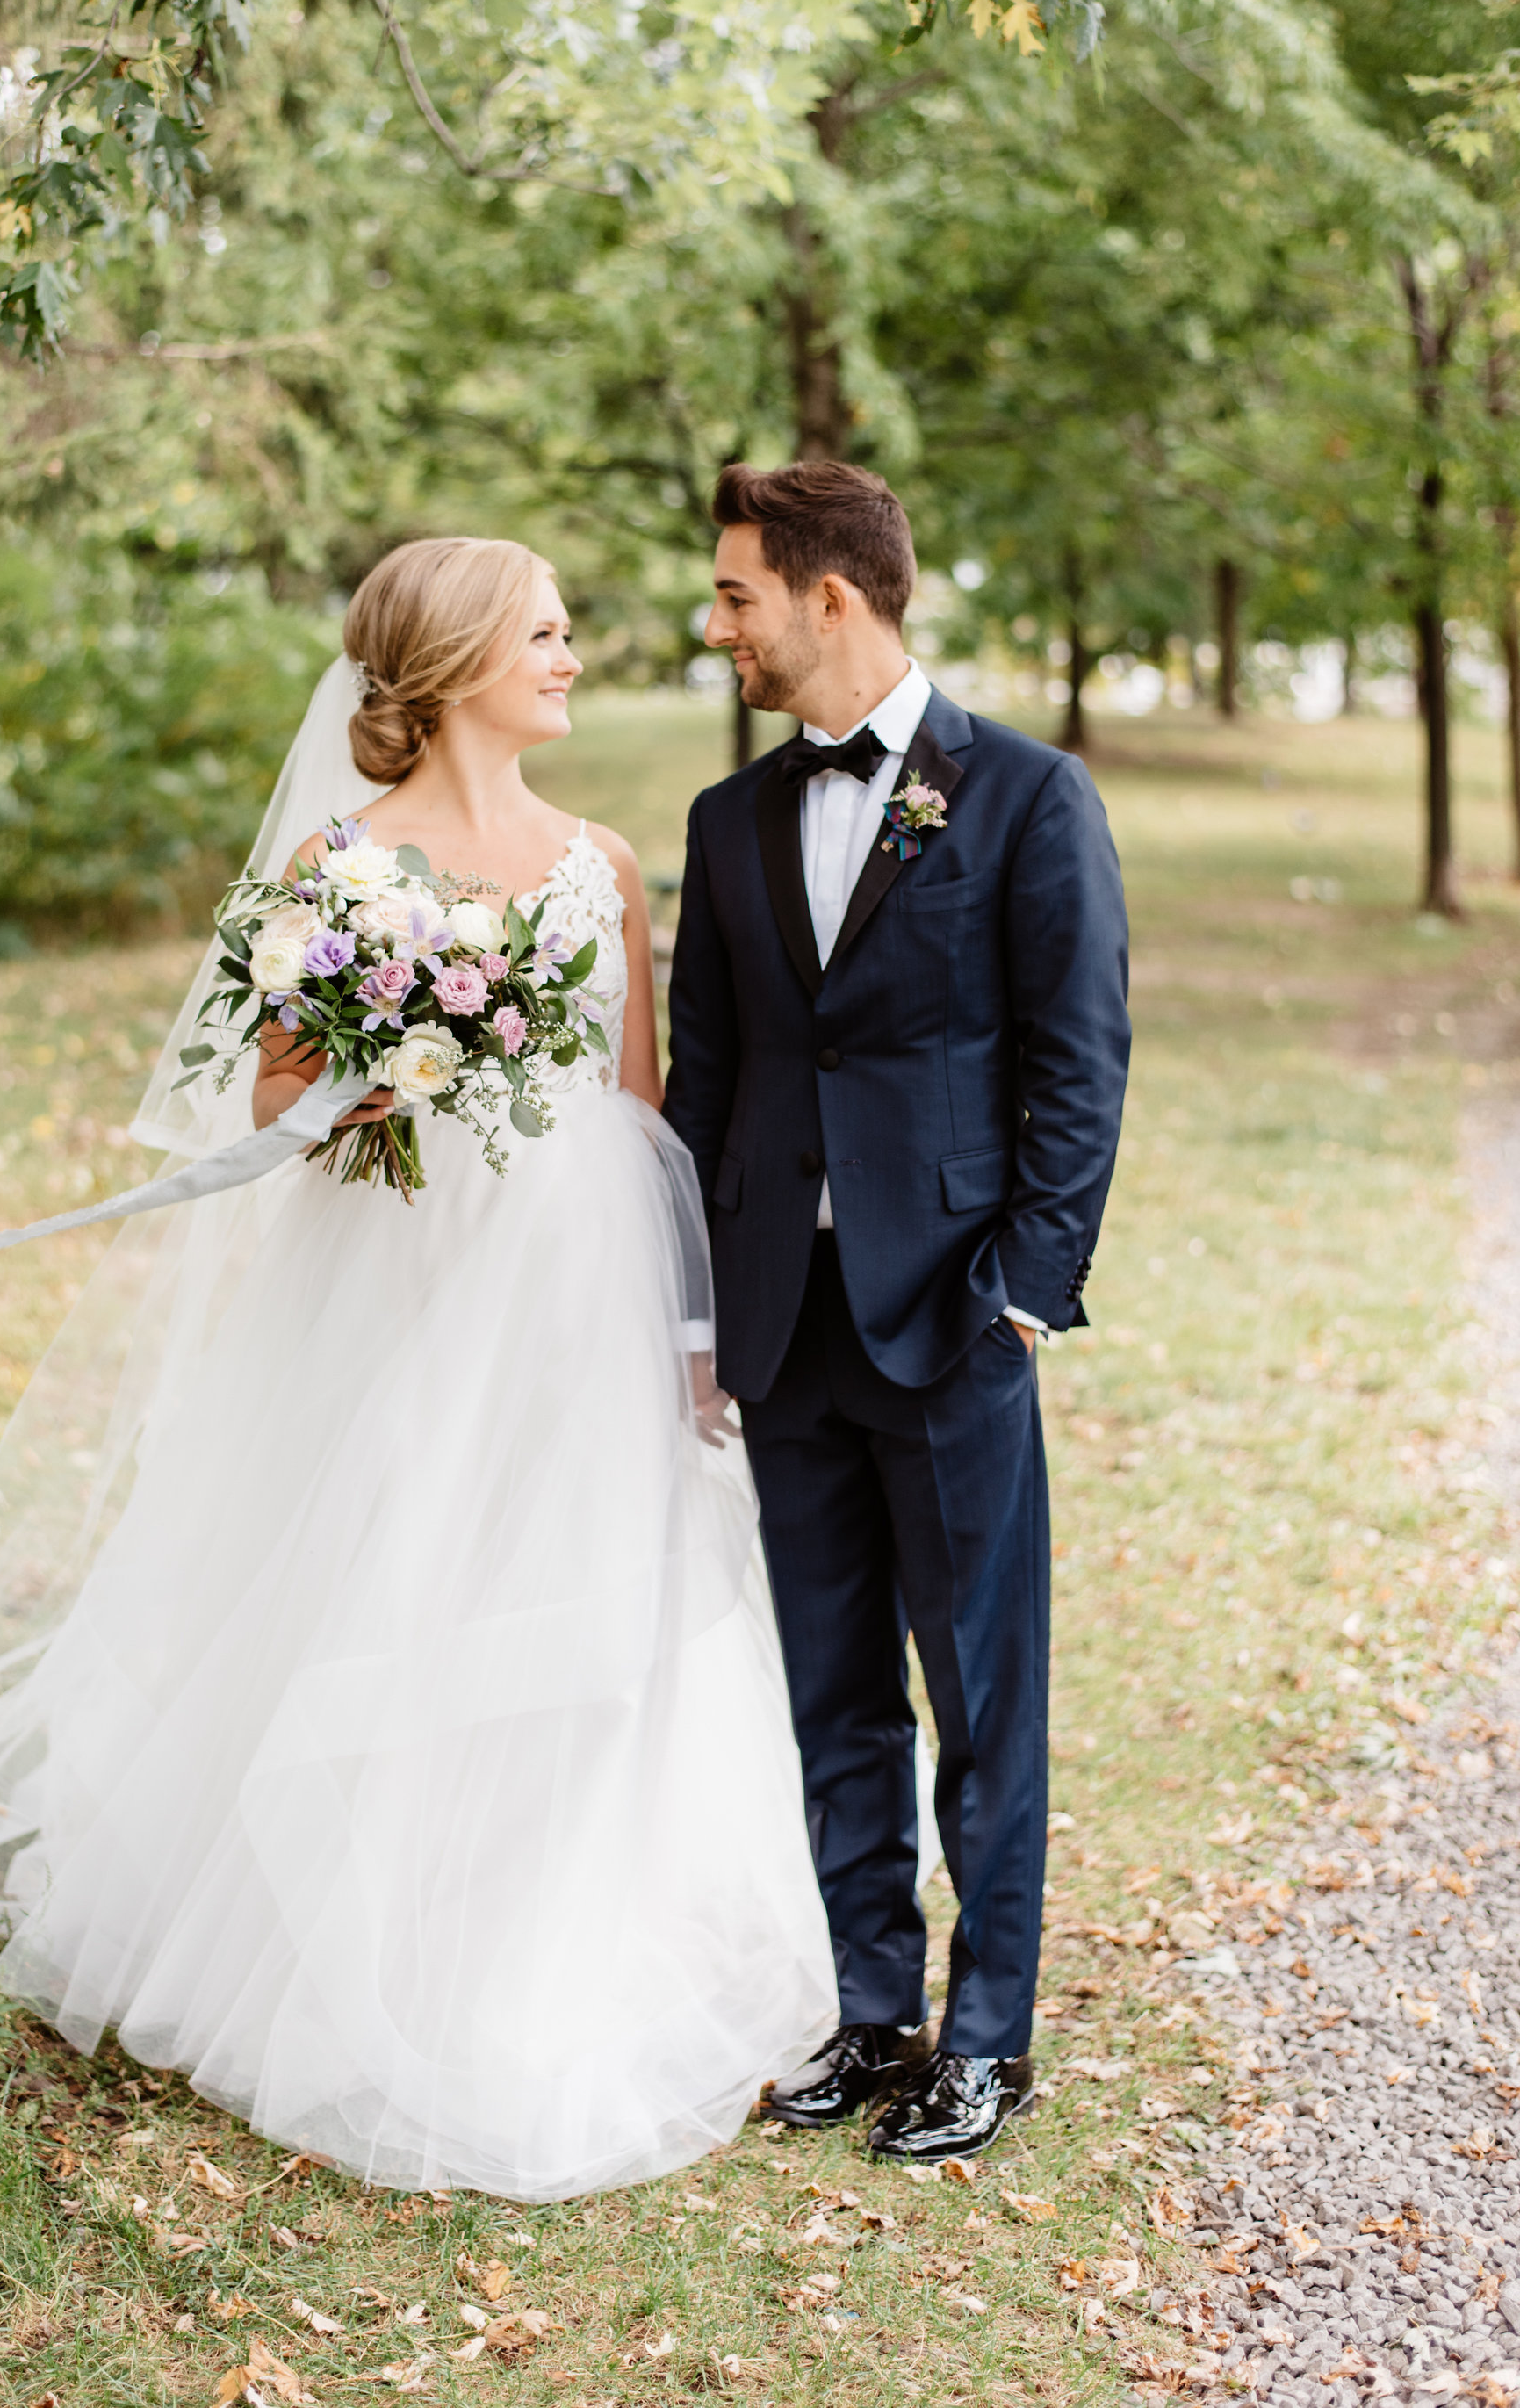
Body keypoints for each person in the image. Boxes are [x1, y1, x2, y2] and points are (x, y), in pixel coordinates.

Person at [0, 535, 836, 2203]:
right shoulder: (340, 868)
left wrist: (686, 1341)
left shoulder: (603, 863)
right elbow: (266, 1105)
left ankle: (544, 1935)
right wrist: (379, 1083)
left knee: (573, 1595)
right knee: (396, 1581)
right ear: (456, 661)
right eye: (546, 630)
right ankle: (379, 1942)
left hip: (576, 1291)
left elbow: (644, 1112)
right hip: (393, 1280)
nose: (575, 653)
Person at [664, 461, 1130, 2164]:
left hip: (951, 1322)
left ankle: (986, 2041)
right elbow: (708, 1082)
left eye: (733, 596)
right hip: (785, 1327)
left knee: (982, 1700)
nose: (714, 624)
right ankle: (874, 2018)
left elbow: (1078, 1068)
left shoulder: (1022, 798)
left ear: (829, 597)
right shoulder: (726, 826)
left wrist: (1022, 1292)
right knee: (832, 1690)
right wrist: (702, 1315)